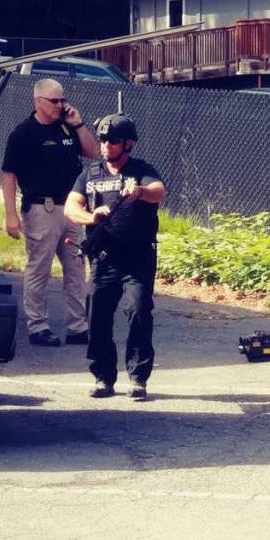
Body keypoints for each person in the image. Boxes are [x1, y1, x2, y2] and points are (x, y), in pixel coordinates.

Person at [64, 114, 166, 400]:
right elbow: (71, 207)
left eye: (113, 140)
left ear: (128, 143)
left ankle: (138, 378)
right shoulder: (90, 173)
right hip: (104, 257)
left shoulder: (140, 170)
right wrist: (91, 216)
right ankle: (102, 377)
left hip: (137, 257)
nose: (107, 145)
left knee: (138, 310)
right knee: (97, 314)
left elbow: (159, 192)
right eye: (103, 140)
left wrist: (140, 192)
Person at [2, 78, 98, 347]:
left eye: (62, 100)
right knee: (39, 269)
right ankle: (38, 326)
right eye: (54, 101)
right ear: (38, 102)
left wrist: (78, 124)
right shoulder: (24, 134)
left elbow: (92, 152)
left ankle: (77, 326)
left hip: (70, 208)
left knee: (76, 268)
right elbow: (8, 175)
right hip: (41, 208)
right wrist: (11, 215)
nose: (60, 105)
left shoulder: (66, 127)